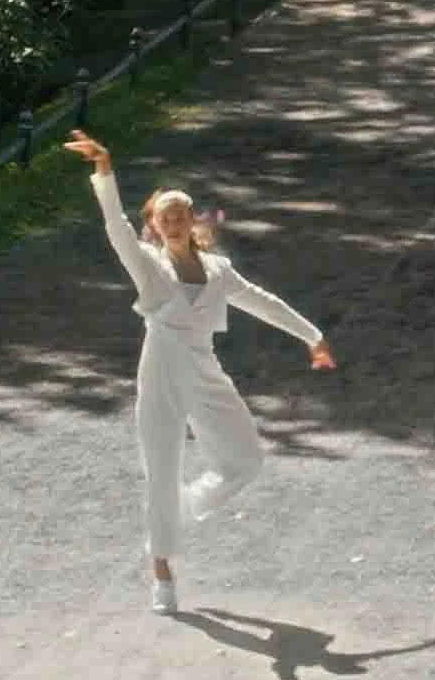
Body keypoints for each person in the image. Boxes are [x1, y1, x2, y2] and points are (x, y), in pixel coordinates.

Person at [64, 129, 335, 614]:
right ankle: (162, 571)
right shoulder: (148, 265)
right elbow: (116, 227)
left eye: (179, 217)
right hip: (160, 368)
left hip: (203, 366)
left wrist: (311, 335)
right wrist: (104, 170)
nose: (172, 224)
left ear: (192, 221)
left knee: (245, 459)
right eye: (163, 219)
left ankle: (186, 505)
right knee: (161, 470)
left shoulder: (218, 270)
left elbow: (262, 302)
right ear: (154, 225)